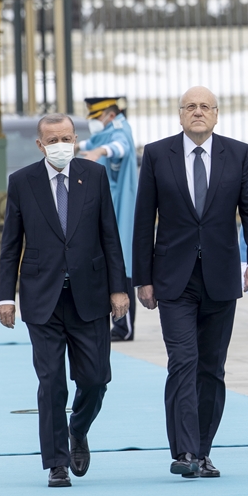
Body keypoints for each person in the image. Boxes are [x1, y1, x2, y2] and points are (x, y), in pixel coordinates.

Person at [132, 86, 248, 479]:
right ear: (179, 115)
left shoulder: (238, 153)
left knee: (211, 368)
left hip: (222, 279)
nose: (197, 112)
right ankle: (185, 451)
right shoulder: (158, 154)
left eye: (204, 107)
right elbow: (144, 219)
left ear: (216, 114)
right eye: (190, 107)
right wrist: (143, 278)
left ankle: (204, 450)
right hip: (173, 280)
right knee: (183, 362)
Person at [0, 114, 129, 488]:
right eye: (53, 139)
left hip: (89, 294)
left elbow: (110, 235)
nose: (61, 145)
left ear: (76, 139)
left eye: (67, 138)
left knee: (95, 378)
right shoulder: (23, 182)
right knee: (52, 381)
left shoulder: (95, 176)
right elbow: (10, 246)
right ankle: (56, 461)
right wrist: (6, 297)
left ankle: (78, 428)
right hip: (43, 298)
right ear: (40, 145)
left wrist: (119, 288)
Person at [80, 97, 139, 341]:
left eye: (96, 118)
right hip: (110, 208)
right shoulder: (109, 131)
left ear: (110, 115)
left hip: (119, 210)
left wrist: (100, 151)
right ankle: (118, 324)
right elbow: (94, 142)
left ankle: (124, 327)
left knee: (120, 267)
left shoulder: (119, 131)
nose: (94, 123)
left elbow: (118, 147)